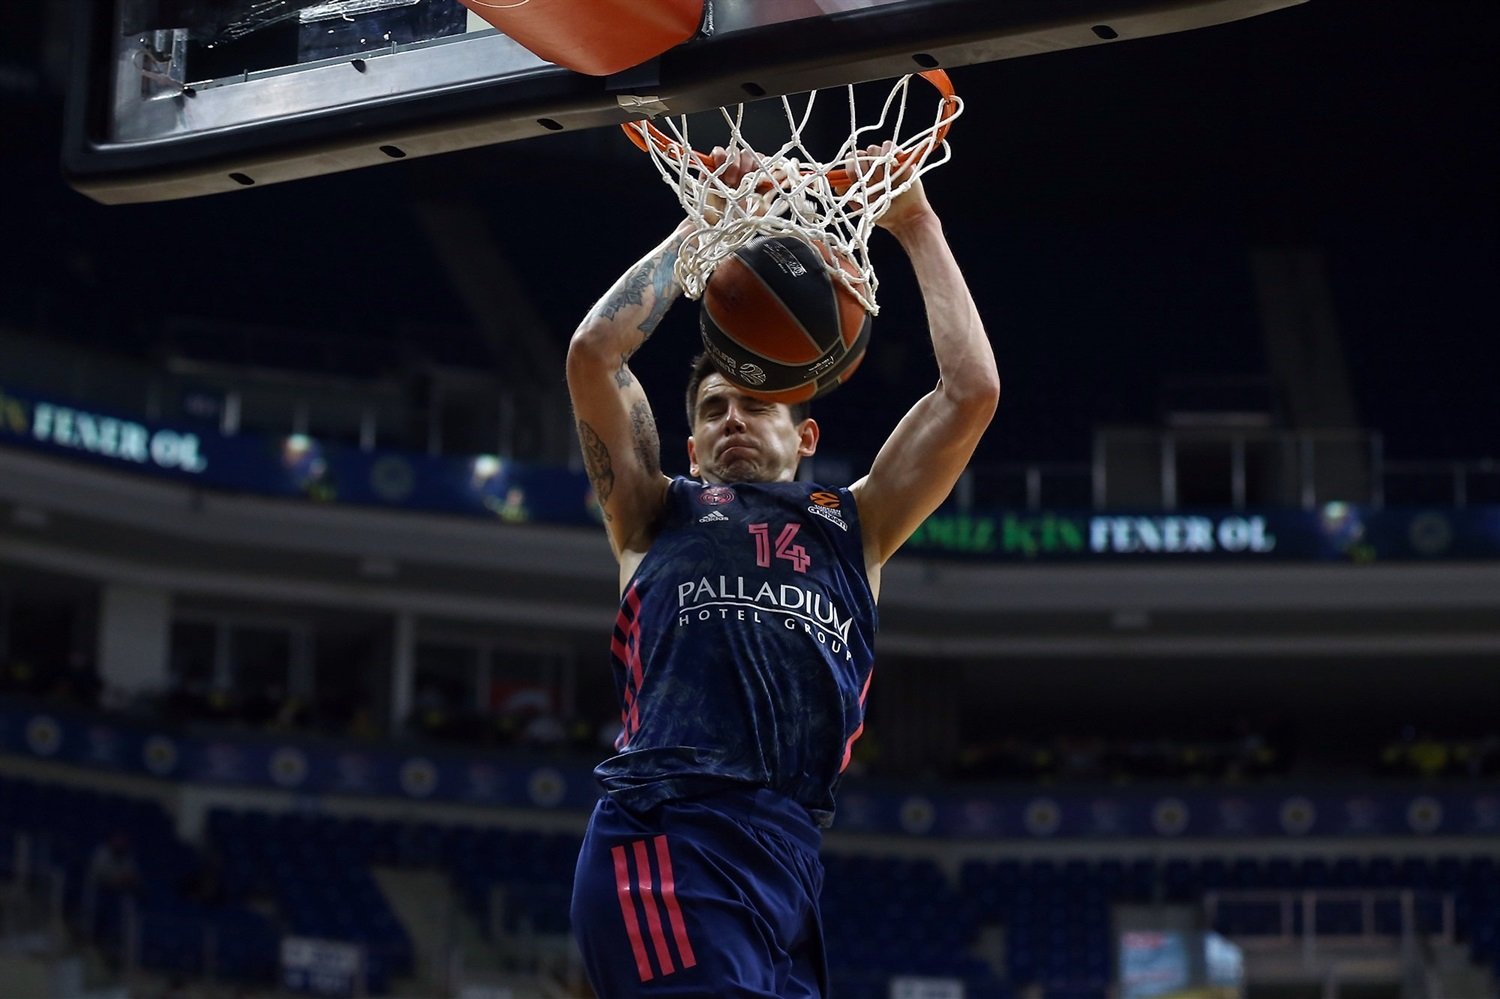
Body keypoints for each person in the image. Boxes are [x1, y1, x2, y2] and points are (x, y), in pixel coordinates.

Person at [565, 146, 999, 996]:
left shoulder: (857, 525)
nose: (733, 418)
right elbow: (594, 355)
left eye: (757, 403)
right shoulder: (654, 511)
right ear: (691, 446)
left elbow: (971, 392)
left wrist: (915, 221)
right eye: (714, 408)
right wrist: (703, 228)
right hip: (669, 835)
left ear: (804, 436)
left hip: (787, 860)